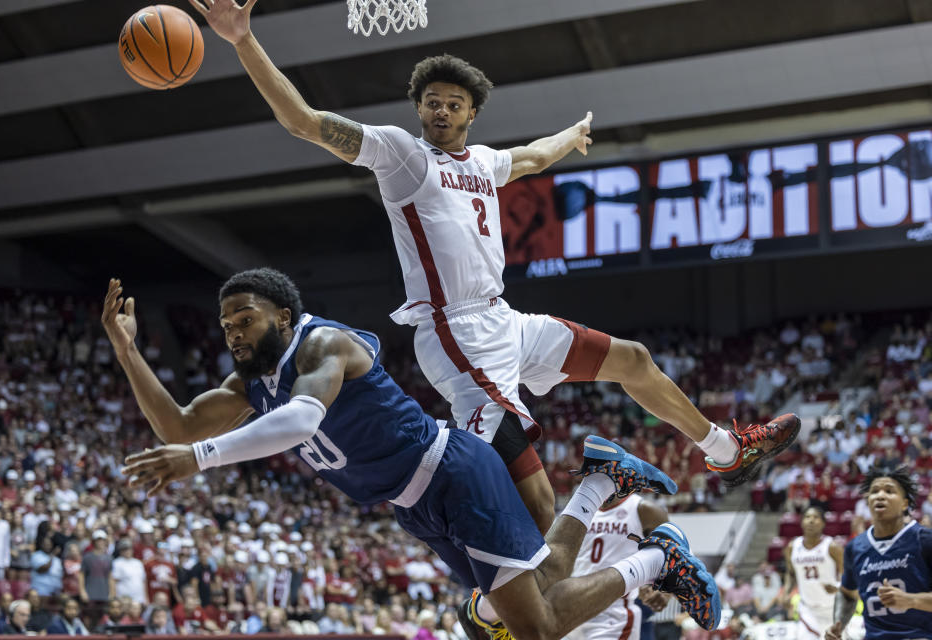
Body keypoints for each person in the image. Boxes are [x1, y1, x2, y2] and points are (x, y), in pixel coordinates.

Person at [184, 0, 801, 540]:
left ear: (471, 113)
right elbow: (306, 123)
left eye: (453, 104)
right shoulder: (402, 155)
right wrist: (243, 40)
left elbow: (530, 157)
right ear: (420, 110)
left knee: (633, 359)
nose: (442, 112)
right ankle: (504, 594)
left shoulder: (480, 160)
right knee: (535, 503)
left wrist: (573, 135)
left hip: (505, 319)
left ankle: (722, 450)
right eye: (432, 104)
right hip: (456, 334)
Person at [105, 271, 720, 640]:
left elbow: (301, 420)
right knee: (542, 587)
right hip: (413, 503)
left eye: (245, 318)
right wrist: (128, 351)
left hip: (450, 474)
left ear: (282, 317)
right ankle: (597, 483)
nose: (233, 331)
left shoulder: (325, 344)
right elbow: (177, 423)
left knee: (533, 630)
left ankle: (653, 560)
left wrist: (201, 457)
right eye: (225, 324)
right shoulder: (250, 385)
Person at [825, 465, 932, 640]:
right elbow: (847, 593)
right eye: (874, 491)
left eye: (889, 491)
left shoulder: (925, 539)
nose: (880, 496)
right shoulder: (855, 547)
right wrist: (838, 624)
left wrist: (910, 600)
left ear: (905, 503)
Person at [564, 493, 672, 640]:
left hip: (613, 614)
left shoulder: (644, 509)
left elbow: (677, 556)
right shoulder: (577, 505)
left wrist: (665, 590)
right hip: (570, 610)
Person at [782, 506, 843, 639]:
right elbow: (791, 573)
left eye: (815, 517)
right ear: (802, 522)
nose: (811, 521)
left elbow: (848, 574)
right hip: (808, 609)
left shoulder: (832, 546)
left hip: (832, 609)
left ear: (823, 523)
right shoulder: (793, 547)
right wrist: (786, 593)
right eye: (807, 517)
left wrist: (838, 587)